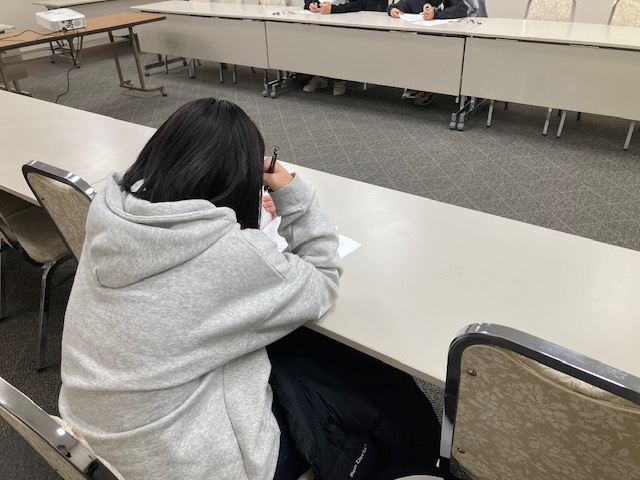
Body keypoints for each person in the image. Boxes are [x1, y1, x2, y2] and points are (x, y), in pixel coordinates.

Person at [58, 98, 342, 480]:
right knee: (343, 386)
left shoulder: (109, 211)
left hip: (89, 441)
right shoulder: (235, 255)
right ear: (242, 180)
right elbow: (323, 277)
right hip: (189, 465)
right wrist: (292, 193)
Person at [387, 0, 476, 105]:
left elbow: (462, 9)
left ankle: (430, 88)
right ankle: (421, 87)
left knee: (435, 59)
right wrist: (391, 10)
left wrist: (436, 15)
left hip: (448, 42)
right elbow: (398, 6)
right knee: (417, 55)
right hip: (424, 43)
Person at [302, 0, 388, 96]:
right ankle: (321, 76)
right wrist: (311, 4)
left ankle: (340, 79)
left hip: (352, 18)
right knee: (317, 38)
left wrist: (334, 9)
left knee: (339, 40)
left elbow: (361, 4)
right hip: (324, 17)